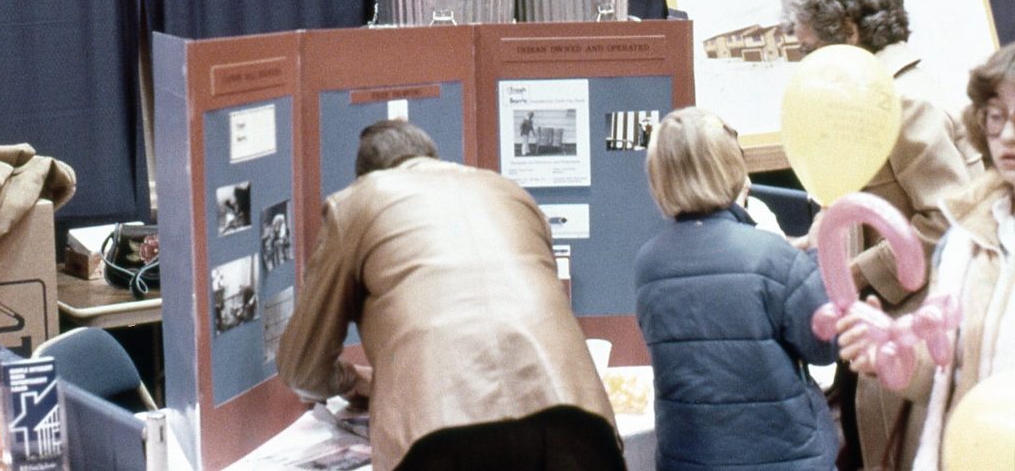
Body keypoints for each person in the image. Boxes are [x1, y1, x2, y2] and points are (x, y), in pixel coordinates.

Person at [276, 119, 624, 471]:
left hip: (441, 437)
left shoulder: (356, 202)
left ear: (364, 176)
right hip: (577, 423)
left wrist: (351, 380)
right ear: (433, 157)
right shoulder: (509, 192)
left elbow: (302, 368)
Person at [781, 0, 983, 469]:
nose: (806, 66)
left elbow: (948, 223)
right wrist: (818, 240)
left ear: (849, 32)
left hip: (910, 337)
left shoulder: (904, 101)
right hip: (881, 327)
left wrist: (853, 274)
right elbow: (870, 201)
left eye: (809, 50)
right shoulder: (875, 95)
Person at [839, 42, 1015, 470]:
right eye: (997, 116)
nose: (1008, 135)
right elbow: (949, 377)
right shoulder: (967, 239)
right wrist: (891, 355)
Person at [634, 107, 838, 470]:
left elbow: (721, 275)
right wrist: (818, 255)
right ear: (730, 168)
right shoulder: (770, 255)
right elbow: (825, 346)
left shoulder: (649, 264)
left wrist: (796, 254)